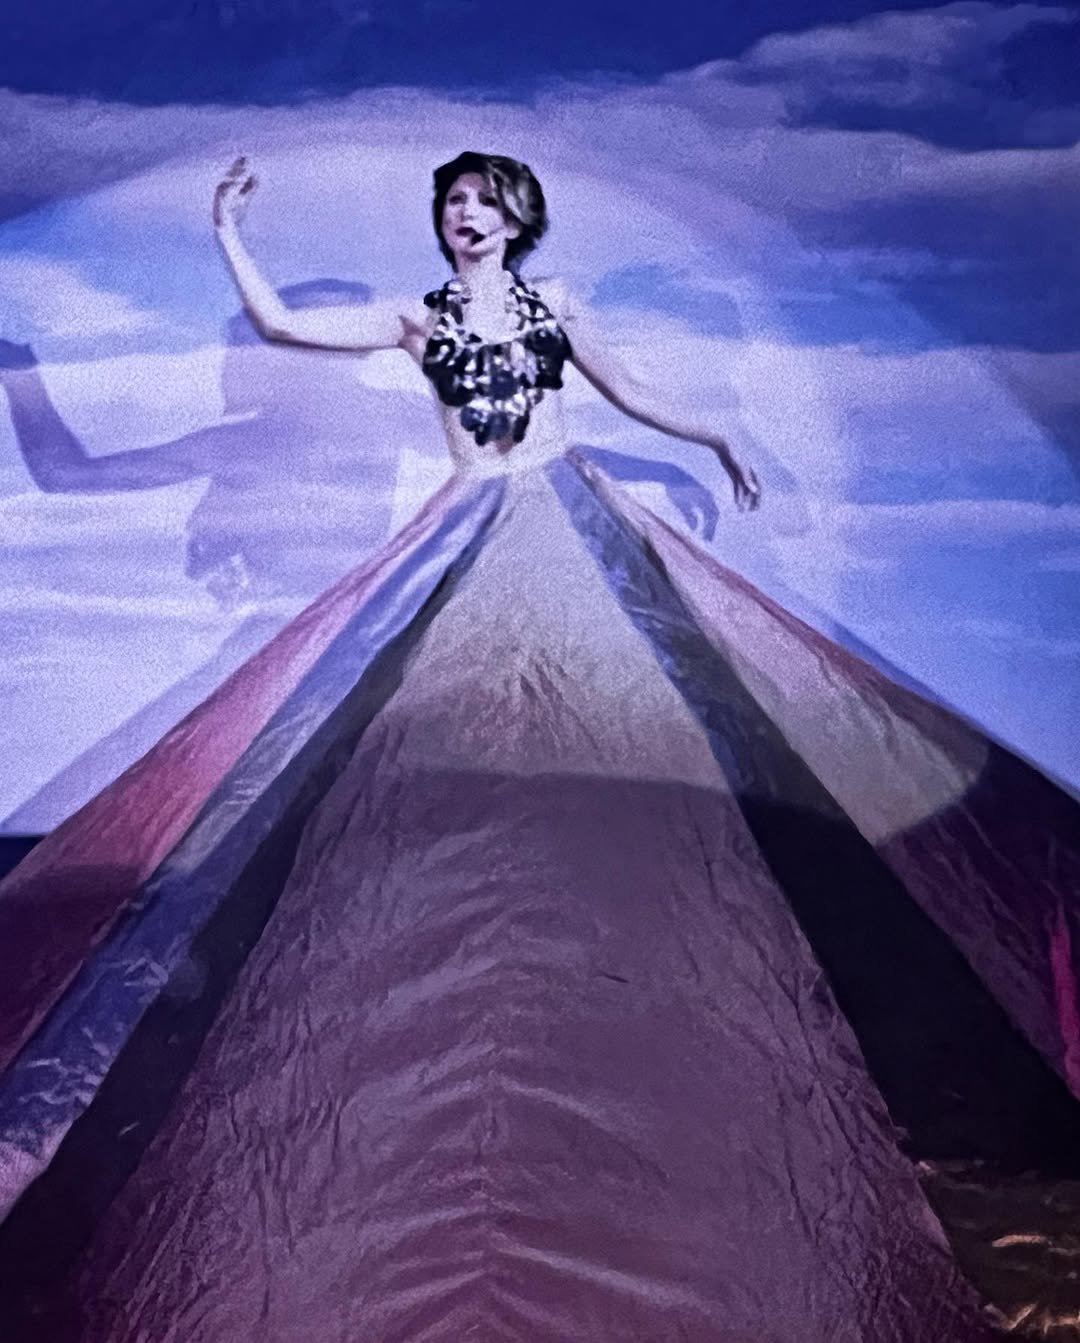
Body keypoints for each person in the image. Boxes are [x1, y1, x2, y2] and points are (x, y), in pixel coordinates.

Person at [0, 151, 1008, 1341]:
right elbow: (263, 337)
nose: (463, 216)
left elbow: (626, 389)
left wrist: (710, 436)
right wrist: (218, 237)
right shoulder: (414, 320)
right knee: (441, 773)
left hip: (560, 532)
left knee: (597, 761)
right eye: (450, 204)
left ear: (516, 218)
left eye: (480, 202)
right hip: (466, 536)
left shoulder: (555, 302)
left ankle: (623, 1050)